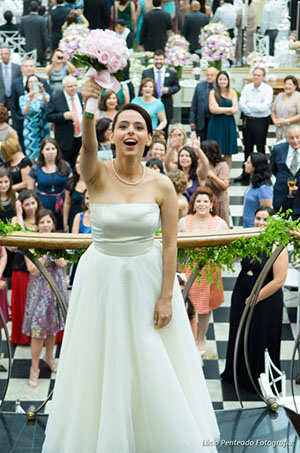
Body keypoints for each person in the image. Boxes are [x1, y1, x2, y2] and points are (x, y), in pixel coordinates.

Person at [42, 81, 219, 451]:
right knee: (103, 357)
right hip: (101, 278)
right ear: (112, 134)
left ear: (148, 136)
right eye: (123, 126)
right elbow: (87, 145)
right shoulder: (97, 173)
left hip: (146, 277)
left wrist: (167, 296)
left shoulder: (161, 185)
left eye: (138, 127)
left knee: (149, 356)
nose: (130, 132)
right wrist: (89, 103)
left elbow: (169, 244)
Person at [221, 206, 288, 392]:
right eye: (258, 218)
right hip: (241, 293)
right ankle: (239, 376)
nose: (260, 223)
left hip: (265, 300)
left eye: (265, 219)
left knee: (260, 337)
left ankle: (258, 382)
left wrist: (256, 297)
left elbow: (279, 280)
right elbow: (234, 258)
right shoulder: (250, 238)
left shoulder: (278, 245)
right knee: (240, 333)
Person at [178, 187, 228, 354]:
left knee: (205, 308)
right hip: (187, 269)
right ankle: (187, 337)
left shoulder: (220, 223)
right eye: (198, 201)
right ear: (193, 203)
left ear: (211, 204)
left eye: (205, 201)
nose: (202, 204)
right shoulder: (184, 222)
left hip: (209, 271)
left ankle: (201, 337)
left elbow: (227, 249)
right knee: (187, 305)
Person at [22, 209, 68, 388]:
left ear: (53, 224)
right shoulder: (32, 242)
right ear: (38, 226)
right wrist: (43, 248)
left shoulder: (59, 240)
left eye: (49, 222)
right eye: (42, 222)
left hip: (56, 288)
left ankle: (50, 357)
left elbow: (63, 263)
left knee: (53, 327)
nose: (46, 225)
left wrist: (53, 247)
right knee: (37, 330)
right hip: (39, 291)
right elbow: (32, 269)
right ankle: (34, 368)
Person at [10, 189, 41, 344]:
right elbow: (19, 241)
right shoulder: (16, 220)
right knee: (21, 304)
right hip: (21, 267)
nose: (31, 207)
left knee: (38, 305)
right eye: (27, 204)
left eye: (33, 203)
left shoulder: (42, 219)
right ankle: (22, 337)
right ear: (21, 206)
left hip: (39, 269)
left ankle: (38, 335)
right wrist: (19, 214)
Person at [236, 67, 273, 184]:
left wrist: (249, 105)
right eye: (254, 75)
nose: (256, 77)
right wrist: (254, 107)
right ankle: (246, 173)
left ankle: (262, 174)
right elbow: (241, 105)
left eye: (258, 75)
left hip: (261, 122)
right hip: (248, 120)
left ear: (263, 77)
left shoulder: (267, 89)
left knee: (261, 148)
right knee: (247, 147)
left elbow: (264, 108)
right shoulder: (247, 88)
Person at [28, 138, 71, 230]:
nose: (51, 152)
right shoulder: (35, 168)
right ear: (42, 151)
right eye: (47, 149)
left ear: (57, 150)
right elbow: (30, 191)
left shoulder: (65, 166)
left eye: (53, 149)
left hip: (62, 204)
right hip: (43, 206)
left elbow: (71, 184)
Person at [10, 58, 50, 152]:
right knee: (26, 148)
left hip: (42, 123)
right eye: (26, 66)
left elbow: (48, 103)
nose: (29, 68)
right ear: (22, 68)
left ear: (34, 67)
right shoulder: (16, 83)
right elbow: (13, 104)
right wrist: (19, 118)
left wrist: (42, 91)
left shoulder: (42, 82)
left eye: (31, 66)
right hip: (24, 123)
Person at [46, 75, 83, 165]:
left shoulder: (80, 96)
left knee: (79, 163)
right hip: (65, 140)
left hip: (80, 137)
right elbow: (48, 116)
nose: (73, 88)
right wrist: (63, 116)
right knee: (65, 164)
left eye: (75, 85)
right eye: (70, 86)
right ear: (64, 87)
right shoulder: (56, 98)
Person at [142, 49, 180, 135]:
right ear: (153, 60)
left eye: (160, 59)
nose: (158, 62)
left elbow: (177, 86)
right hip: (150, 107)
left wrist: (169, 90)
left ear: (164, 60)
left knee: (164, 133)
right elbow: (142, 88)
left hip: (166, 105)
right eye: (156, 59)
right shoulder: (146, 73)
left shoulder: (172, 73)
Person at [207, 70, 238, 168]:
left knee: (228, 151)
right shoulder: (212, 92)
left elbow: (235, 109)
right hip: (216, 123)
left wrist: (220, 109)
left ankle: (226, 175)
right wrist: (229, 109)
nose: (222, 81)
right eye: (220, 79)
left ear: (228, 81)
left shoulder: (232, 92)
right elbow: (213, 110)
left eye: (225, 79)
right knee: (214, 149)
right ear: (217, 81)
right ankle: (214, 173)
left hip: (228, 124)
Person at [270, 125, 300, 220]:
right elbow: (273, 168)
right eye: (292, 138)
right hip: (281, 194)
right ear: (287, 138)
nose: (295, 140)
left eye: (298, 137)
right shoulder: (278, 149)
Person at [19, 74, 50, 160]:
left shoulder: (44, 95)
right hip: (30, 129)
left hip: (43, 127)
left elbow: (46, 104)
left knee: (45, 150)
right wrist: (30, 99)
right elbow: (24, 112)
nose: (33, 83)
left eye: (35, 81)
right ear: (27, 84)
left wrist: (43, 91)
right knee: (31, 152)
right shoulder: (23, 98)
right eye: (31, 81)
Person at [200, 139, 230, 226]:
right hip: (205, 202)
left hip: (219, 202)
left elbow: (224, 186)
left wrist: (213, 177)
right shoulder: (201, 164)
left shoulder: (222, 165)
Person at [242, 152, 273, 228]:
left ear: (255, 167)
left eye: (248, 162)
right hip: (247, 225)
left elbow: (266, 212)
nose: (245, 164)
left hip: (255, 228)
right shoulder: (254, 182)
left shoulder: (264, 189)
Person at [190, 67, 219, 143]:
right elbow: (194, 105)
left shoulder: (220, 87)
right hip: (201, 121)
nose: (209, 77)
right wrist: (192, 121)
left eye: (211, 75)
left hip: (214, 120)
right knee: (201, 144)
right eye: (207, 75)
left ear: (216, 76)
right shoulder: (200, 86)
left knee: (213, 144)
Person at [271, 75, 300, 142]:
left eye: (290, 84)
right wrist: (274, 120)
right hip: (279, 131)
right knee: (280, 150)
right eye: (285, 84)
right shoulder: (280, 95)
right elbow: (273, 111)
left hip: (293, 133)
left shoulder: (298, 97)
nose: (287, 86)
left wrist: (286, 121)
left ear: (295, 86)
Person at [19, 1, 48, 67]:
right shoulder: (42, 20)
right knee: (43, 64)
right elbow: (44, 35)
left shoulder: (24, 19)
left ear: (29, 9)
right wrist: (46, 46)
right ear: (38, 8)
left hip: (27, 48)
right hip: (40, 48)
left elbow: (21, 33)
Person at [63, 153, 86, 232]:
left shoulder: (94, 183)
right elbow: (67, 203)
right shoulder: (71, 182)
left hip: (89, 220)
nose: (79, 165)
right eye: (77, 162)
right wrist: (65, 223)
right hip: (73, 217)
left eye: (82, 162)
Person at [235, 0, 257, 64]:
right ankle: (249, 61)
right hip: (251, 31)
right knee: (250, 48)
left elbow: (238, 22)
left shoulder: (242, 10)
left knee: (241, 48)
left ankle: (240, 61)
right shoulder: (254, 8)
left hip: (242, 32)